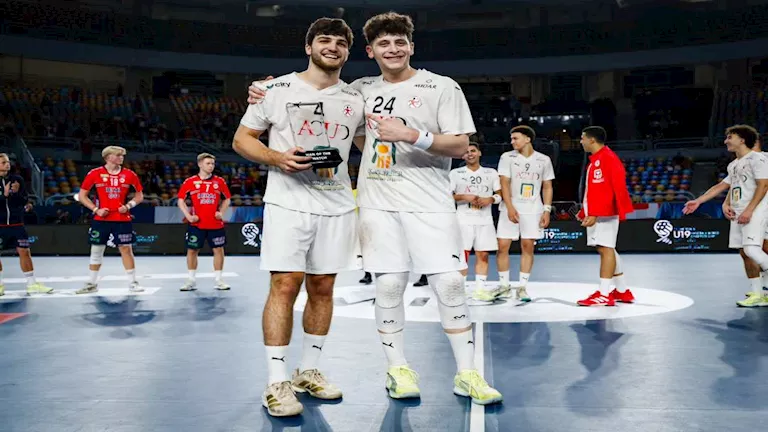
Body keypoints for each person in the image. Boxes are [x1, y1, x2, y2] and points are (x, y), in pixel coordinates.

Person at [247, 12, 503, 406]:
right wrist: (264, 88)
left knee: (450, 284)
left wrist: (412, 135)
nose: (393, 49)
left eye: (400, 42)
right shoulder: (359, 90)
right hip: (375, 203)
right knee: (386, 285)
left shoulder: (440, 86)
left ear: (411, 46)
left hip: (429, 202)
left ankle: (468, 373)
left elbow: (459, 144)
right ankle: (397, 370)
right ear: (370, 51)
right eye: (384, 43)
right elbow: (310, 96)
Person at [232, 17, 365, 417]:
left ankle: (308, 371)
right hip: (288, 202)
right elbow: (242, 140)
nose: (332, 47)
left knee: (323, 287)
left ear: (347, 52)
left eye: (340, 42)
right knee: (285, 284)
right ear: (309, 47)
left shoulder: (356, 97)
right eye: (324, 40)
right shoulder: (274, 90)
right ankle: (277, 381)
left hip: (337, 204)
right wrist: (278, 158)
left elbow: (370, 146)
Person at [683, 125, 768, 307]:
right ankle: (758, 293)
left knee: (753, 250)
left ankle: (764, 288)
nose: (725, 141)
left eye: (730, 137)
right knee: (745, 252)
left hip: (754, 210)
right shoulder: (734, 164)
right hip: (738, 212)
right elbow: (722, 186)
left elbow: (763, 185)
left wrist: (749, 210)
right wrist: (699, 201)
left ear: (742, 140)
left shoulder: (758, 159)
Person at [575, 126, 635, 306]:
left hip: (604, 214)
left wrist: (595, 212)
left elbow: (612, 190)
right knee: (608, 249)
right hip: (599, 212)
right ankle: (622, 290)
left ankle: (603, 294)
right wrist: (585, 211)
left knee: (605, 249)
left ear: (592, 140)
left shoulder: (607, 158)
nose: (581, 141)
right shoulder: (597, 160)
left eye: (583, 138)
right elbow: (594, 191)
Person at [495, 125, 555, 302]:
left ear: (528, 139)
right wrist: (510, 206)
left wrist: (546, 210)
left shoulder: (543, 160)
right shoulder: (507, 157)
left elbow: (547, 186)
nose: (512, 142)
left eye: (516, 138)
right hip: (511, 206)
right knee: (502, 246)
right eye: (511, 139)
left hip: (533, 208)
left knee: (528, 246)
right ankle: (504, 286)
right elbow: (504, 183)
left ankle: (522, 287)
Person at [75, 146, 144, 294]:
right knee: (96, 250)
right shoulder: (95, 173)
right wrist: (96, 209)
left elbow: (139, 195)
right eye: (118, 155)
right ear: (107, 157)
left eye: (122, 155)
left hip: (122, 218)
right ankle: (91, 283)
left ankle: (133, 283)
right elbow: (82, 196)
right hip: (101, 218)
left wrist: (128, 206)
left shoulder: (129, 174)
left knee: (126, 249)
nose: (121, 157)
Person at [449, 142, 501, 300]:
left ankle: (480, 290)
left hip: (485, 220)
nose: (470, 154)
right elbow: (448, 196)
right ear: (462, 156)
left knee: (483, 255)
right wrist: (464, 196)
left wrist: (490, 199)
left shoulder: (491, 173)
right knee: (462, 256)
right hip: (463, 220)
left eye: (473, 151)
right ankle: (460, 290)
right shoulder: (455, 173)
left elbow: (500, 195)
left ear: (479, 153)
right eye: (466, 152)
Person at [177, 153, 232, 291]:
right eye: (208, 163)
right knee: (192, 250)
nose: (211, 166)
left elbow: (227, 199)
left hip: (215, 224)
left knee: (218, 250)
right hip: (197, 224)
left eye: (212, 163)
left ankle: (219, 280)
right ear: (200, 164)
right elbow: (180, 200)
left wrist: (221, 212)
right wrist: (188, 216)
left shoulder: (219, 181)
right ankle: (191, 280)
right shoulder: (190, 181)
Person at [0, 153, 52, 296]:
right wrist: (4, 195)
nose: (7, 164)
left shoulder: (18, 180)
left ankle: (32, 284)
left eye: (8, 162)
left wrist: (18, 194)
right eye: (3, 162)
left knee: (24, 251)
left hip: (17, 224)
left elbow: (24, 199)